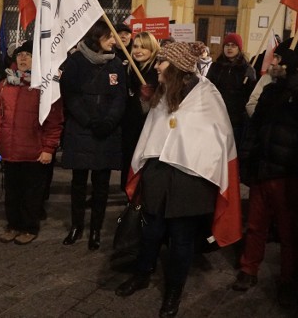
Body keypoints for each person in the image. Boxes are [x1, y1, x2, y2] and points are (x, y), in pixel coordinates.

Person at [115, 41, 241, 318]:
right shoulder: (164, 92)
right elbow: (155, 129)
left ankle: (173, 291)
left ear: (177, 68)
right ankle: (142, 274)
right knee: (150, 231)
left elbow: (219, 138)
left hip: (191, 179)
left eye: (162, 62)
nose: (158, 66)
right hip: (159, 174)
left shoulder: (207, 96)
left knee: (182, 239)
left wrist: (194, 155)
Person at [232, 38, 298, 308]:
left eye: (278, 59)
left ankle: (288, 279)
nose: (272, 62)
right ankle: (249, 269)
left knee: (287, 230)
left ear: (291, 63)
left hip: (288, 173)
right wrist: (248, 160)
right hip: (263, 169)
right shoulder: (270, 91)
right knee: (256, 225)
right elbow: (256, 127)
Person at [0, 40, 64, 245]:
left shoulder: (46, 85)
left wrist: (49, 148)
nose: (22, 58)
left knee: (32, 193)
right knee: (12, 192)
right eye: (20, 54)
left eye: (28, 55)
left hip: (34, 149)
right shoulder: (5, 84)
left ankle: (29, 227)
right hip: (10, 148)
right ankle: (13, 225)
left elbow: (54, 121)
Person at [60, 20, 127, 251]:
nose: (114, 41)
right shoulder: (76, 61)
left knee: (101, 185)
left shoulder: (117, 63)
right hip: (81, 130)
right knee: (78, 183)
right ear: (96, 37)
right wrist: (89, 121)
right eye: (109, 36)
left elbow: (120, 98)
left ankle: (95, 229)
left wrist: (108, 121)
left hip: (106, 133)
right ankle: (77, 226)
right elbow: (71, 96)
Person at [118, 31, 159, 191]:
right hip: (129, 124)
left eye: (143, 47)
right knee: (128, 160)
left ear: (152, 49)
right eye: (135, 46)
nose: (138, 50)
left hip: (149, 126)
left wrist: (150, 97)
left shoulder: (157, 70)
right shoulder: (128, 68)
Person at [206, 33, 256, 147]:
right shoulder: (215, 66)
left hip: (236, 118)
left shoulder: (246, 69)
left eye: (233, 45)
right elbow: (208, 88)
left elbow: (251, 94)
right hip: (217, 115)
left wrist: (252, 80)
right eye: (227, 45)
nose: (229, 48)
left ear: (239, 48)